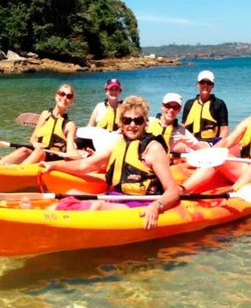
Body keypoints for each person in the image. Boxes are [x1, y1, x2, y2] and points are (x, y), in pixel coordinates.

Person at [40, 96, 181, 230]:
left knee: (98, 207)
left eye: (138, 121)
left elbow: (173, 190)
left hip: (140, 202)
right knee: (71, 193)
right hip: (115, 197)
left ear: (145, 122)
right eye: (127, 120)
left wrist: (157, 206)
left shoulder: (153, 148)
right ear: (121, 122)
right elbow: (86, 165)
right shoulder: (116, 145)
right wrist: (54, 165)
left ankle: (50, 224)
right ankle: (41, 217)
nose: (132, 125)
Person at [0, 84, 80, 164]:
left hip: (52, 160)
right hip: (37, 153)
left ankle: (17, 173)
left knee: (39, 152)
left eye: (69, 96)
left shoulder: (70, 125)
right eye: (62, 94)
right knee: (23, 150)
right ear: (56, 96)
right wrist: (35, 144)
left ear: (71, 101)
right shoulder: (45, 114)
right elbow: (33, 139)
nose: (64, 98)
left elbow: (70, 150)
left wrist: (79, 155)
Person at [181, 70, 229, 144]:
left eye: (209, 83)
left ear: (212, 86)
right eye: (202, 82)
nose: (205, 85)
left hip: (210, 143)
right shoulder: (189, 104)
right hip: (191, 143)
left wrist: (218, 144)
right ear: (197, 84)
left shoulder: (219, 104)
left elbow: (224, 129)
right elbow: (183, 126)